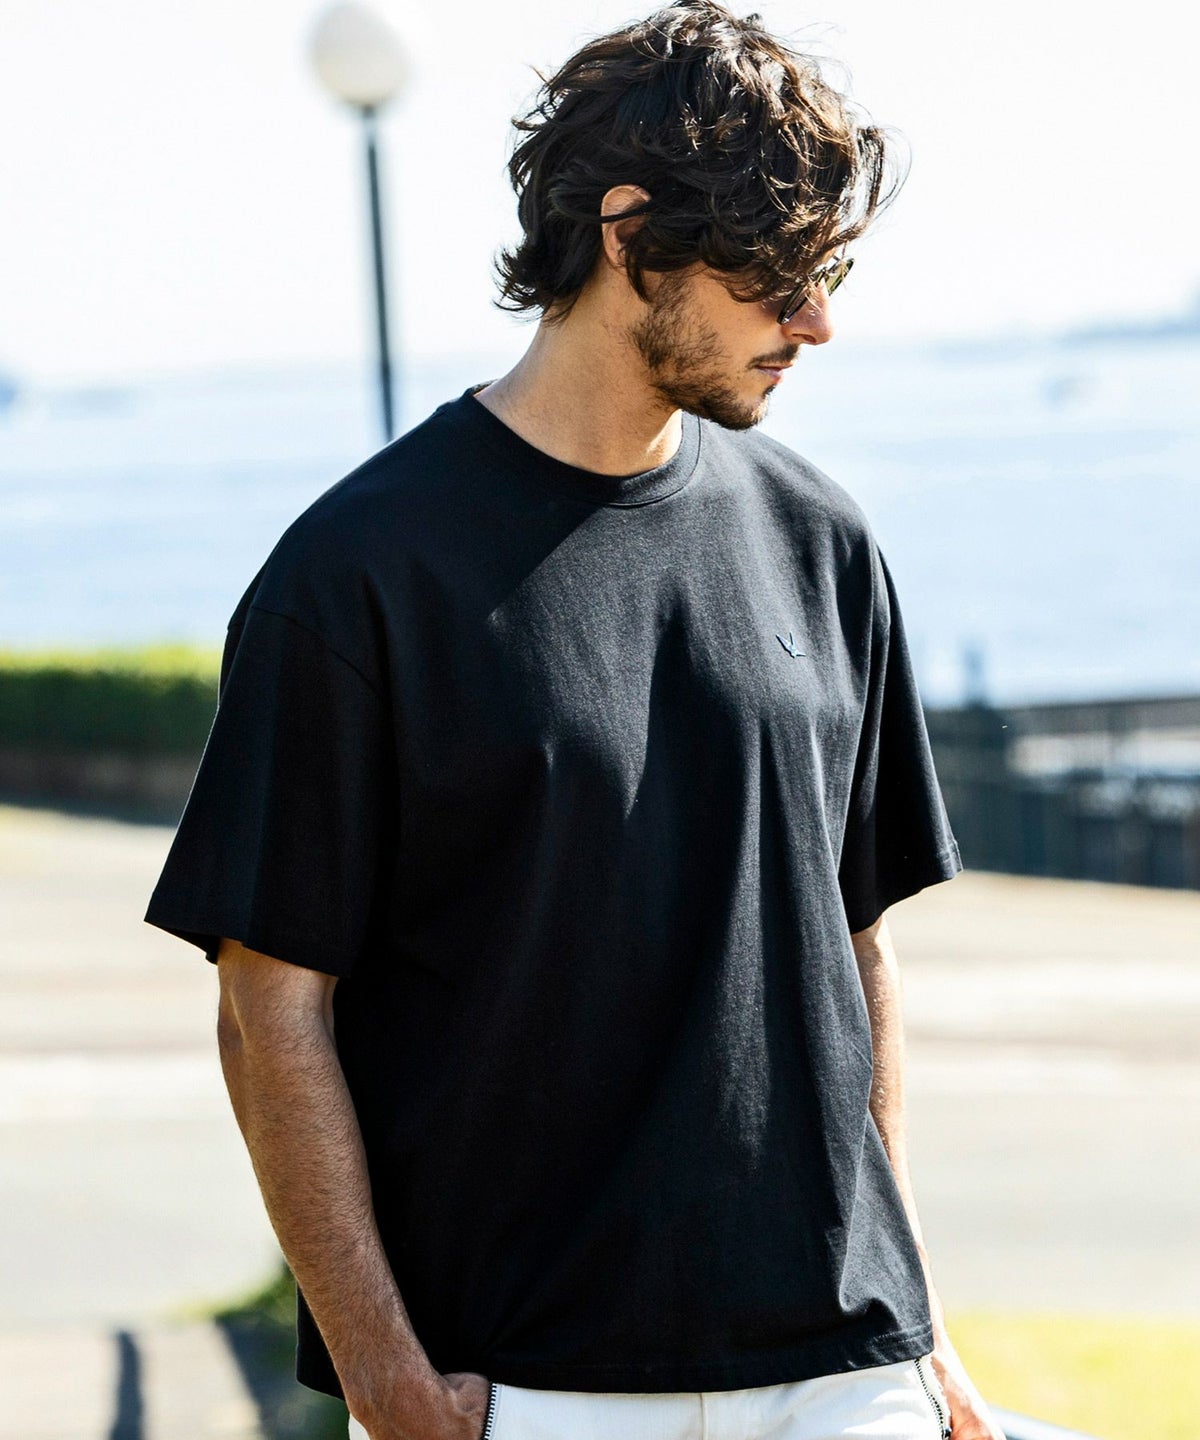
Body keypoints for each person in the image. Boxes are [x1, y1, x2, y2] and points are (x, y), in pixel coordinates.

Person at [145, 3, 1007, 1437]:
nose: (816, 323)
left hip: (844, 1369)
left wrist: (920, 1331)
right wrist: (385, 1378)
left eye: (825, 276)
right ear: (629, 233)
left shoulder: (824, 541)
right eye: (777, 278)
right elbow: (270, 1007)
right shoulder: (358, 576)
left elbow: (857, 948)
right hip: (531, 1384)